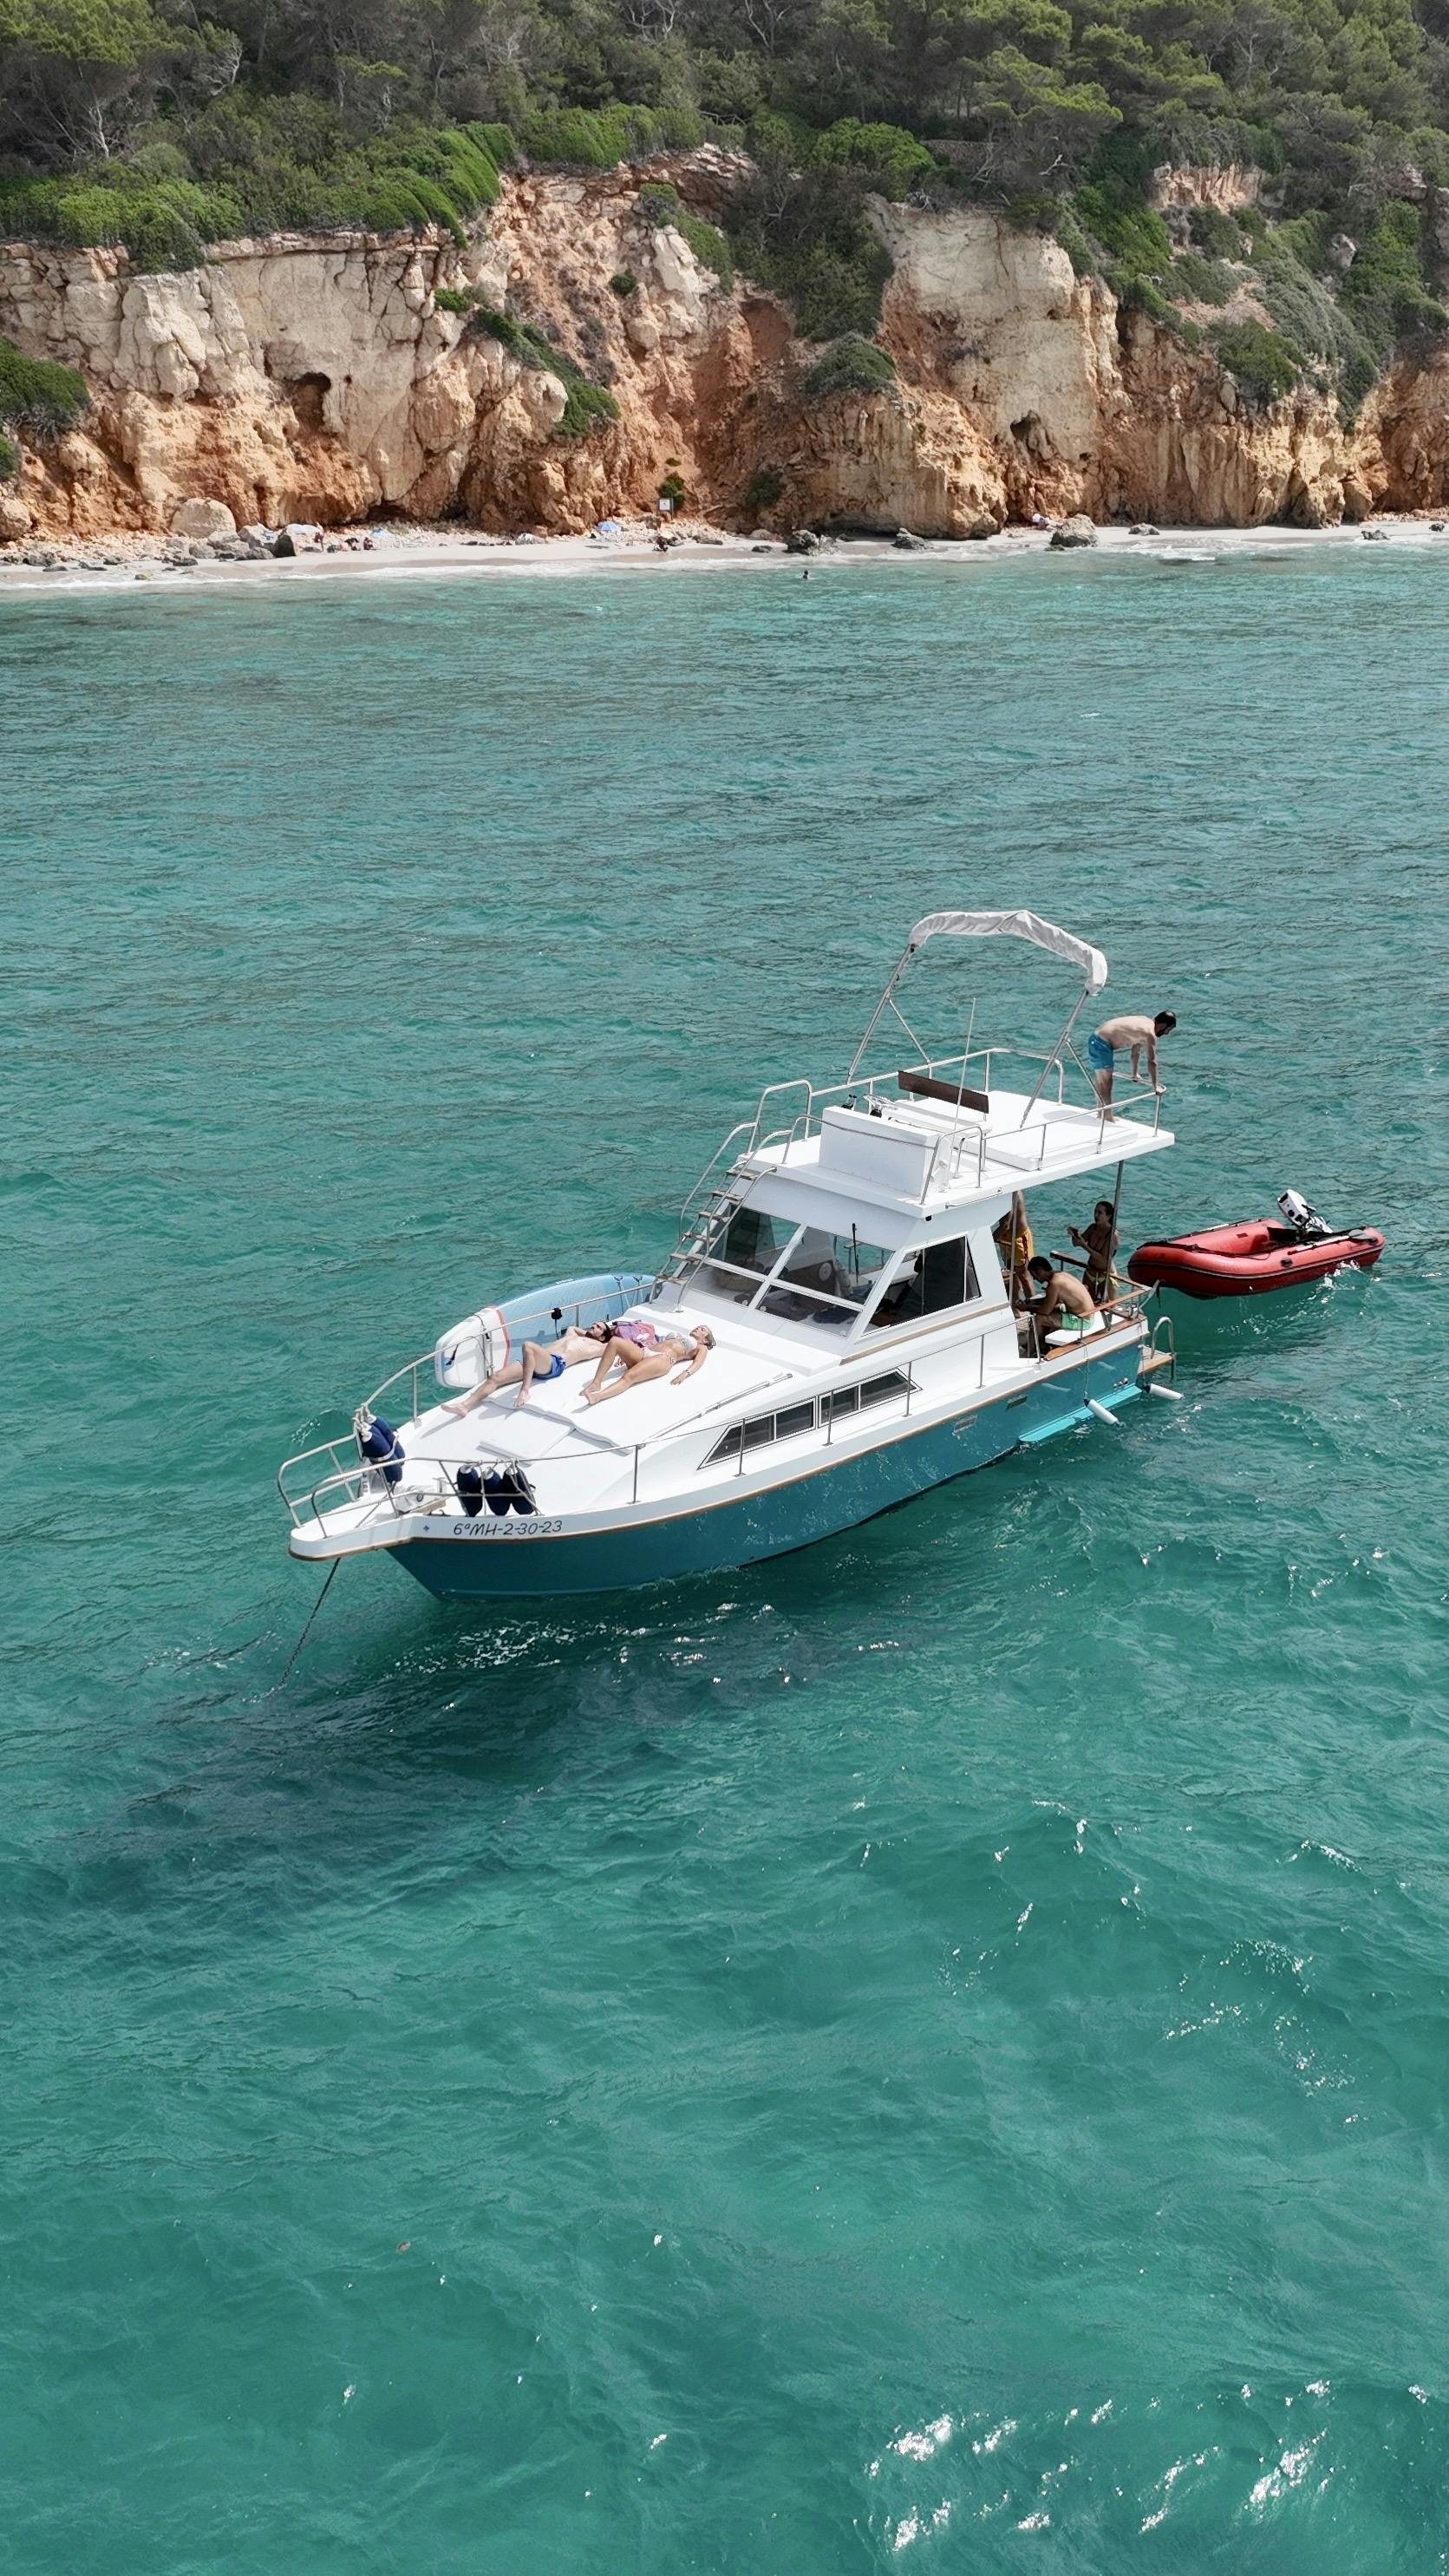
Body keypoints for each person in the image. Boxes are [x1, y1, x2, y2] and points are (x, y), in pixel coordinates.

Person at [443, 1319, 612, 1415]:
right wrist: (588, 1333)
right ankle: (465, 1406)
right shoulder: (574, 1335)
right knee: (495, 1377)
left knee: (528, 1346)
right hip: (536, 1361)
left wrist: (616, 1353)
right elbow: (572, 1328)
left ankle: (525, 1390)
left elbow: (616, 1347)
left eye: (598, 1327)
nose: (593, 1326)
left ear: (603, 1337)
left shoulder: (599, 1346)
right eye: (594, 1324)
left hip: (554, 1364)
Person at [583, 1324, 715, 1405]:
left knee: (629, 1376)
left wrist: (685, 1374)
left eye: (702, 1329)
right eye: (698, 1326)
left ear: (705, 1340)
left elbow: (698, 1362)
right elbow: (654, 1342)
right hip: (646, 1352)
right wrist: (626, 1353)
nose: (698, 1328)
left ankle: (597, 1397)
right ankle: (596, 1383)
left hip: (663, 1359)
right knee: (615, 1342)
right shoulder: (680, 1336)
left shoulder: (701, 1346)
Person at [1087, 1010, 1176, 1106]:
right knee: (1106, 1084)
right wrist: (1155, 1086)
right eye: (1168, 1030)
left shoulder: (1145, 1022)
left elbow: (1135, 1052)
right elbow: (1152, 1062)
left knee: (1101, 1082)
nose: (1166, 1033)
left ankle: (1101, 1112)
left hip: (1097, 1039)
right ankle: (1106, 1114)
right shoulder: (1150, 1034)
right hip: (1101, 1043)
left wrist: (1135, 1073)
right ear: (1163, 1025)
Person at [1026, 1255, 1099, 1346]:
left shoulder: (1054, 1284)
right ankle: (1043, 1343)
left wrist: (1026, 1308)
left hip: (1083, 1320)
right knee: (1052, 1310)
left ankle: (1031, 1349)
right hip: (1089, 1314)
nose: (1034, 1278)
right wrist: (1034, 1302)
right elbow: (1051, 1301)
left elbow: (1045, 1311)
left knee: (1039, 1319)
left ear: (1039, 1271)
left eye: (1033, 1275)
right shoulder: (1062, 1275)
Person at [1068, 1199, 1119, 1305]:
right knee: (1085, 1304)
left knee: (1110, 1307)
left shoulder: (1112, 1235)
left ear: (1108, 1216)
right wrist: (1074, 1235)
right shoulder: (1093, 1228)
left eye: (1100, 1213)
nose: (1096, 1215)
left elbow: (1104, 1259)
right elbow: (1076, 1243)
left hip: (1106, 1275)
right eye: (1095, 1212)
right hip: (1090, 1271)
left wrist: (1084, 1246)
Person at [993, 1197, 1035, 1303]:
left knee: (1024, 1275)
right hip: (1005, 1237)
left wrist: (989, 1238)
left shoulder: (1012, 1193)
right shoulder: (1001, 1191)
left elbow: (1006, 1225)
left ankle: (1033, 1306)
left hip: (1019, 1238)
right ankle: (1017, 1303)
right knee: (1012, 1272)